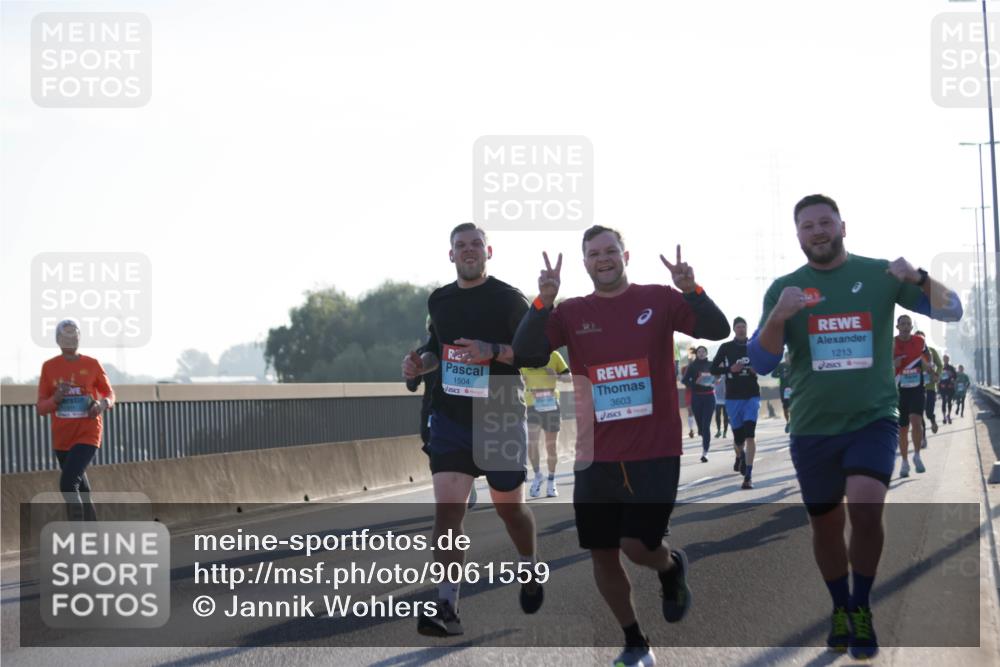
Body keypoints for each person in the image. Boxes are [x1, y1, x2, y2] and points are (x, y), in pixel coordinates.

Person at [748, 193, 962, 660]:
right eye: (808, 225)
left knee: (866, 509)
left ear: (844, 226)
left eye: (826, 222)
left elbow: (953, 311)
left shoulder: (880, 275)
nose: (818, 231)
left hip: (872, 419)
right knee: (825, 527)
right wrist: (780, 316)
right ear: (798, 234)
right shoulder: (785, 289)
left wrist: (919, 277)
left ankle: (861, 605)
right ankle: (840, 605)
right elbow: (761, 363)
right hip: (812, 426)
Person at [513, 226, 729, 667]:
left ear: (625, 255)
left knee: (637, 546)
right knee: (602, 551)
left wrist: (693, 290)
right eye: (594, 253)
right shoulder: (571, 312)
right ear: (585, 262)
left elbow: (717, 329)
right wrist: (543, 302)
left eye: (610, 250)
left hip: (655, 447)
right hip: (596, 453)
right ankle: (634, 640)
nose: (603, 259)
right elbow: (526, 353)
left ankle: (669, 567)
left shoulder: (661, 299)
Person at [401, 223, 548, 637]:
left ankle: (529, 565)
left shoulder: (508, 298)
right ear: (450, 255)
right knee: (447, 515)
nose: (468, 251)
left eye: (475, 245)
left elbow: (536, 352)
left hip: (498, 411)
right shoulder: (440, 300)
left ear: (489, 251)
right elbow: (437, 349)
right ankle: (447, 605)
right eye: (460, 246)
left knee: (509, 510)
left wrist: (493, 352)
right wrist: (420, 363)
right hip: (450, 415)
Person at [36, 319, 115, 521]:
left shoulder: (92, 364)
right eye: (65, 337)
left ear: (79, 338)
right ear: (58, 340)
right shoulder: (49, 367)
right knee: (82, 489)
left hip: (88, 434)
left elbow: (109, 394)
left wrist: (101, 405)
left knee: (68, 484)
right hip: (62, 439)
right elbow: (41, 407)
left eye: (74, 337)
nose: (70, 341)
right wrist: (56, 399)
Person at [406, 320, 477, 509]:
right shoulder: (423, 353)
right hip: (430, 409)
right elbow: (411, 386)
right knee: (433, 450)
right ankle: (445, 485)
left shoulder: (458, 350)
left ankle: (466, 479)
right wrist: (411, 371)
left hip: (452, 407)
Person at [711, 317, 761, 489]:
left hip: (751, 396)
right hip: (732, 398)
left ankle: (748, 476)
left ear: (747, 328)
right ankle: (740, 456)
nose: (741, 329)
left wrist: (758, 368)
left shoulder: (754, 345)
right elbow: (713, 369)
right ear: (734, 329)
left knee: (750, 435)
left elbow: (767, 364)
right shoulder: (726, 347)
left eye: (743, 326)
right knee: (738, 439)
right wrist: (729, 369)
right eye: (738, 327)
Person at [521, 350, 570, 497]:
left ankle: (551, 481)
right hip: (532, 405)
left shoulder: (554, 355)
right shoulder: (524, 356)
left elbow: (569, 377)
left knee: (551, 446)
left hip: (551, 405)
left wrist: (557, 376)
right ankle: (537, 475)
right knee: (531, 443)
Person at [895, 317, 929, 477]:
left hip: (917, 388)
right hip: (899, 390)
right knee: (903, 428)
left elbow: (926, 361)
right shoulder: (891, 344)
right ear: (897, 326)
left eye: (908, 324)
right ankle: (904, 462)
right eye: (903, 324)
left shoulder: (920, 341)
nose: (906, 327)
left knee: (916, 421)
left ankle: (917, 455)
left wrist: (931, 369)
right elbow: (882, 365)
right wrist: (893, 363)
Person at [682, 345, 715, 462]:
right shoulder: (692, 366)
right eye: (699, 351)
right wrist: (695, 385)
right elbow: (684, 380)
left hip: (710, 397)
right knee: (701, 427)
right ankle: (701, 431)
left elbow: (717, 377)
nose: (701, 353)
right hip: (696, 397)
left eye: (703, 351)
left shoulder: (711, 364)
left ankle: (705, 452)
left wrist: (715, 380)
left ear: (706, 353)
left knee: (706, 426)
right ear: (696, 353)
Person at [916, 330, 942, 441]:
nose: (920, 341)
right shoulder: (912, 353)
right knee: (919, 414)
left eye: (921, 339)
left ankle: (932, 420)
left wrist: (937, 375)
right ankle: (923, 437)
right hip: (917, 387)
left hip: (930, 387)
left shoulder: (932, 351)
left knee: (929, 412)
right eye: (917, 339)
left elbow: (940, 365)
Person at [771, 353, 793, 433]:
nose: (789, 358)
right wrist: (781, 375)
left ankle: (793, 422)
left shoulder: (795, 365)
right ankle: (787, 422)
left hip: (795, 388)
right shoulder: (781, 365)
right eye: (787, 357)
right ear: (785, 357)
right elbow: (773, 375)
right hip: (785, 389)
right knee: (786, 406)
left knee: (794, 405)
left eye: (790, 357)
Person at [680, 346, 697, 438]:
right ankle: (691, 430)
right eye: (689, 356)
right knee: (690, 411)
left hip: (699, 391)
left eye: (693, 356)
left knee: (698, 411)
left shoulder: (700, 366)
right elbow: (684, 378)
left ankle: (701, 428)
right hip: (689, 391)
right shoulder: (684, 368)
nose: (691, 358)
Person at [938, 353, 957, 425]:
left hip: (950, 387)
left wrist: (952, 379)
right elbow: (938, 376)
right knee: (943, 401)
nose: (946, 360)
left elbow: (955, 376)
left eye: (947, 358)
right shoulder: (940, 367)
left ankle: (948, 415)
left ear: (948, 359)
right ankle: (944, 417)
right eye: (944, 359)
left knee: (949, 401)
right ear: (943, 359)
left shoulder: (951, 368)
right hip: (942, 387)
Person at [713, 374, 729, 439]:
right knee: (717, 416)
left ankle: (725, 432)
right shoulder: (714, 377)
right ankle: (719, 431)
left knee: (725, 417)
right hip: (717, 400)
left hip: (725, 401)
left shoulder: (724, 376)